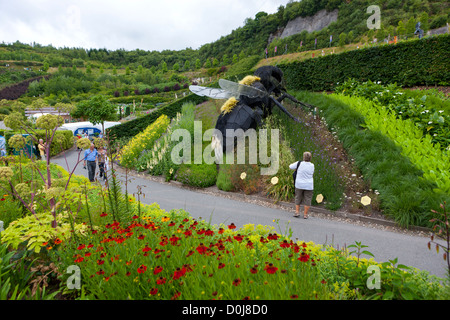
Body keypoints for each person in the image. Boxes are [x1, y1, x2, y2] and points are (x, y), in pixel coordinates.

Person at [290, 151, 314, 219]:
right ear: (310, 158)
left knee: (298, 197)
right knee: (308, 199)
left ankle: (297, 212)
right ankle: (305, 214)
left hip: (299, 184)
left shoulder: (299, 163)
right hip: (309, 185)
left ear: (303, 157)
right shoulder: (312, 165)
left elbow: (290, 166)